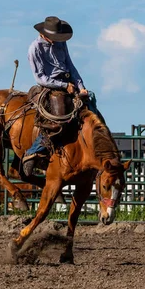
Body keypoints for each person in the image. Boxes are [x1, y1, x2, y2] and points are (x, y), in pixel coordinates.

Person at [22, 16, 91, 177]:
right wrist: (63, 85)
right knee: (60, 119)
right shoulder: (35, 49)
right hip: (52, 86)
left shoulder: (61, 43)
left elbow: (70, 65)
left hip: (69, 83)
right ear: (44, 34)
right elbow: (40, 77)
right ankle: (32, 152)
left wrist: (81, 87)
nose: (57, 40)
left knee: (91, 110)